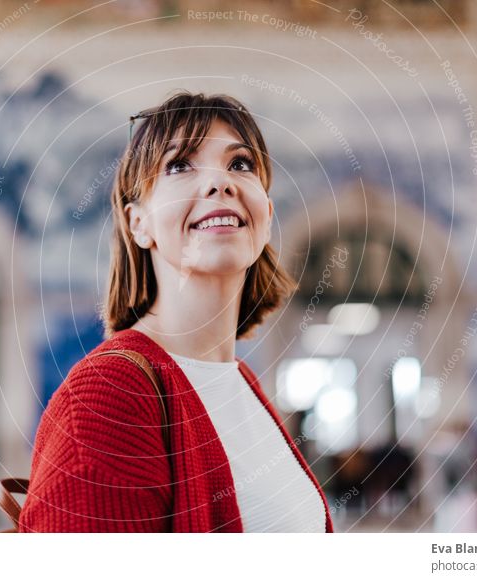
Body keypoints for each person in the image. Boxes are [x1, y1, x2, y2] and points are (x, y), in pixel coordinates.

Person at [18, 91, 333, 532]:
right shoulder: (110, 394)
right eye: (180, 164)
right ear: (138, 223)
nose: (219, 183)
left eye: (240, 164)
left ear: (266, 211)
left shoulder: (244, 383)